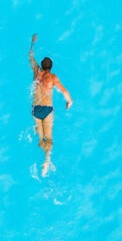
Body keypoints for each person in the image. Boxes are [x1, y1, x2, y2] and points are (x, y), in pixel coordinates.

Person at [29, 34, 72, 176]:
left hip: (35, 110)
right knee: (49, 139)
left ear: (41, 66)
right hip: (47, 110)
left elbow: (30, 56)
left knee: (40, 138)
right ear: (51, 68)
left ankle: (43, 150)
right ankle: (46, 160)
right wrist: (69, 101)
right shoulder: (52, 77)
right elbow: (64, 91)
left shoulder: (36, 72)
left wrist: (32, 43)